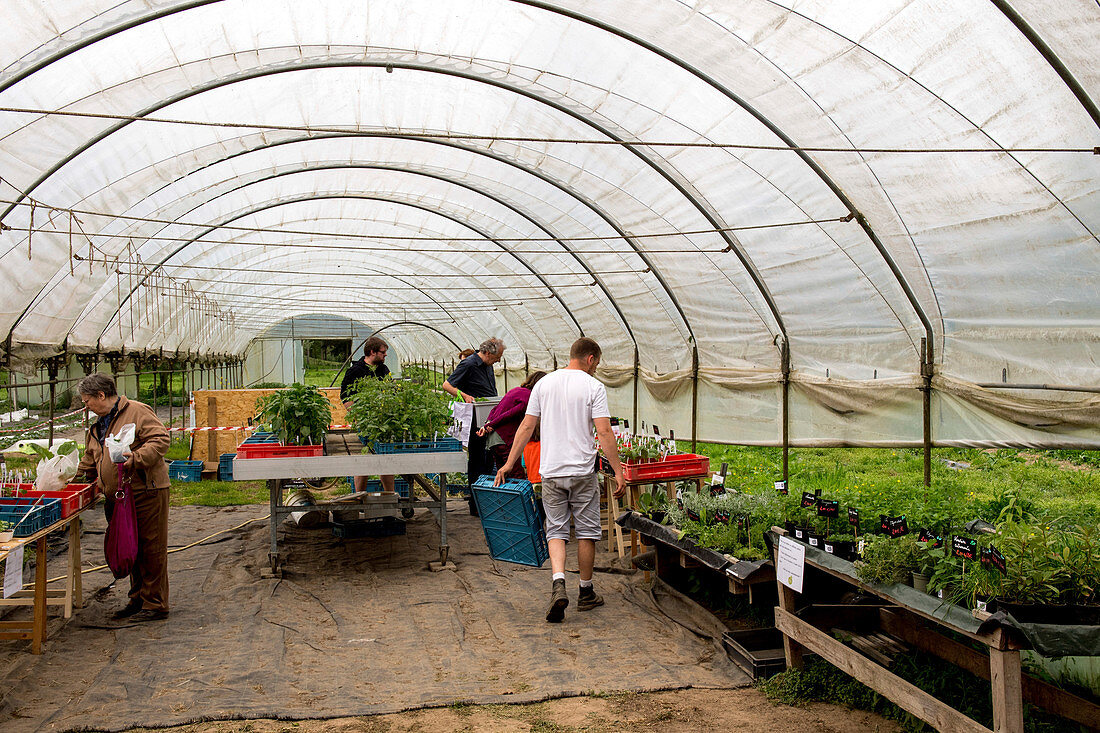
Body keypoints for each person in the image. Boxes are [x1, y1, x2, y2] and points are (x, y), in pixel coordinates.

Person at [495, 338, 625, 623]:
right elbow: (604, 431)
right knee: (587, 531)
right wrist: (617, 471)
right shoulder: (593, 387)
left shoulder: (544, 384)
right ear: (591, 359)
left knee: (556, 529)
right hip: (582, 472)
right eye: (597, 364)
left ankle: (558, 582)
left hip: (551, 471)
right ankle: (586, 591)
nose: (596, 369)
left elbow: (527, 426)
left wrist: (508, 463)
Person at [75, 373, 171, 622]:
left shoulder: (137, 412)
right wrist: (74, 478)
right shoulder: (99, 424)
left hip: (145, 491)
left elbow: (160, 439)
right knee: (130, 546)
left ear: (101, 395)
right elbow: (91, 456)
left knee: (151, 547)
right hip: (118, 497)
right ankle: (137, 598)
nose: (85, 406)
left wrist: (136, 459)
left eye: (87, 401)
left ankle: (155, 604)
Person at [442, 338, 504, 513]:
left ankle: (484, 500)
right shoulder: (468, 364)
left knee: (487, 459)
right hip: (475, 418)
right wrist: (464, 395)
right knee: (477, 460)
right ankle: (475, 506)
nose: (498, 360)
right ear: (487, 352)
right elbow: (447, 385)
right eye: (497, 356)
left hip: (487, 417)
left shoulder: (488, 366)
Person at [339, 337, 394, 492]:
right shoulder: (356, 370)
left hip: (383, 424)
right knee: (364, 461)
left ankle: (389, 495)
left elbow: (392, 391)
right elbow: (345, 395)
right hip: (365, 425)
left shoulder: (383, 370)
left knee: (386, 460)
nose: (385, 355)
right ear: (372, 352)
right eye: (382, 352)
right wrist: (358, 415)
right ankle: (359, 497)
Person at [477, 371, 547, 479]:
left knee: (503, 475)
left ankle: (501, 495)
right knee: (516, 475)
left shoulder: (516, 391)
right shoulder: (528, 396)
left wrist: (488, 424)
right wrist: (491, 424)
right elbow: (511, 413)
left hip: (493, 439)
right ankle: (521, 496)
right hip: (503, 438)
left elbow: (495, 408)